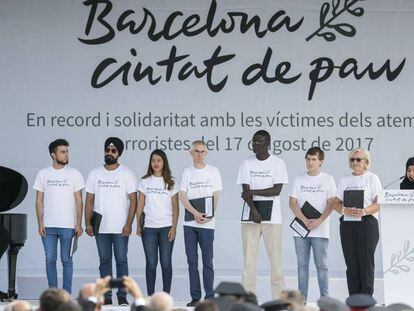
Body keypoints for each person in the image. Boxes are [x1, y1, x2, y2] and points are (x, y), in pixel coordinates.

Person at [85, 137, 137, 306]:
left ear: (119, 153)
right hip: (100, 227)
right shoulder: (94, 173)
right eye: (107, 149)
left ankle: (122, 295)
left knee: (122, 260)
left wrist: (129, 224)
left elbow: (133, 201)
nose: (109, 152)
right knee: (104, 261)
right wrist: (87, 223)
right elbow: (89, 200)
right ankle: (106, 297)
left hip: (121, 227)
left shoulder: (127, 173)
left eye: (113, 150)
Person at [237, 130, 288, 299]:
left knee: (276, 261)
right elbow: (245, 192)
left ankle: (278, 299)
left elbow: (277, 190)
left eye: (258, 141)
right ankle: (247, 299)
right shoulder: (246, 163)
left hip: (273, 218)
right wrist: (253, 210)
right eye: (253, 141)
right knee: (249, 261)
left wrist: (254, 191)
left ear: (268, 143)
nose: (254, 144)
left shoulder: (278, 163)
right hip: (251, 215)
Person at [33, 139, 85, 294]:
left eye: (67, 151)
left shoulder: (74, 174)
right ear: (53, 154)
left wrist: (79, 224)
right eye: (62, 152)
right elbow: (39, 199)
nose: (66, 154)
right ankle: (53, 293)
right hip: (48, 225)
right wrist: (40, 222)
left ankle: (66, 294)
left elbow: (79, 200)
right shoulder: (43, 174)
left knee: (66, 260)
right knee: (50, 259)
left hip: (68, 225)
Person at [289, 147, 336, 300]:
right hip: (300, 231)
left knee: (321, 266)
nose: (310, 162)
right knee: (302, 267)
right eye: (308, 159)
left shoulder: (328, 179)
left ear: (321, 161)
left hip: (320, 230)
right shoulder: (298, 179)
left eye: (314, 159)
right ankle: (301, 302)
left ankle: (325, 300)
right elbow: (292, 203)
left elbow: (331, 204)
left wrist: (319, 221)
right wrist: (303, 220)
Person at [179, 140, 222, 306]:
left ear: (206, 153)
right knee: (191, 261)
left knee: (207, 261)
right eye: (196, 151)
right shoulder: (187, 172)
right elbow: (182, 195)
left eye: (202, 151)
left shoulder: (213, 171)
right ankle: (195, 297)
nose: (199, 154)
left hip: (207, 224)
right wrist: (195, 213)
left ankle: (209, 296)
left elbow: (215, 195)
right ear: (191, 153)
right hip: (190, 223)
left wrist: (209, 215)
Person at [333, 148, 382, 295]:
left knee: (366, 263)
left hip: (367, 223)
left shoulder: (372, 178)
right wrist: (343, 210)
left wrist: (364, 211)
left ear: (366, 162)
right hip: (348, 224)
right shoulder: (344, 180)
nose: (355, 162)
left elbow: (379, 203)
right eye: (352, 159)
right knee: (351, 263)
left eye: (358, 159)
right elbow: (335, 202)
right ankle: (354, 300)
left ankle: (366, 300)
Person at [136, 149, 179, 295]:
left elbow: (175, 207)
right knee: (151, 264)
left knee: (166, 263)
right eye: (153, 160)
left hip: (166, 227)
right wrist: (138, 224)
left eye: (159, 160)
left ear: (164, 162)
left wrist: (174, 227)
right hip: (149, 228)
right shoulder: (144, 181)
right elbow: (140, 205)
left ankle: (166, 295)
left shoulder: (171, 182)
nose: (156, 163)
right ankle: (150, 295)